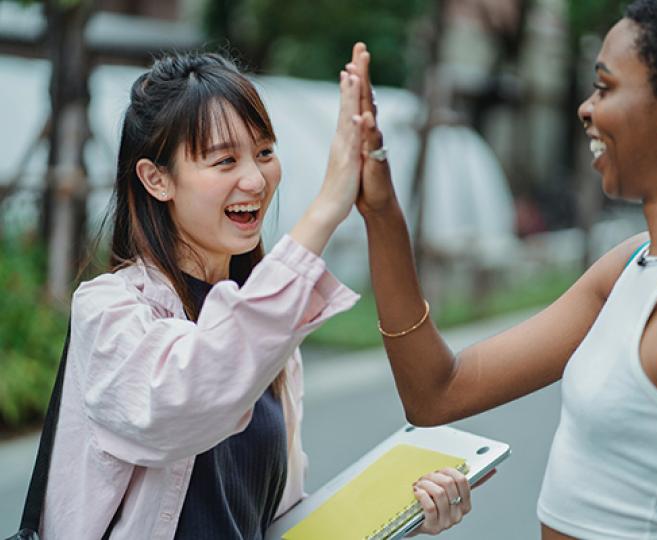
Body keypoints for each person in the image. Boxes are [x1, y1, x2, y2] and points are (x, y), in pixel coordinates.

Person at [39, 51, 467, 538]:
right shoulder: (109, 311)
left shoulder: (271, 336)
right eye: (225, 160)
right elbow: (188, 397)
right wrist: (328, 204)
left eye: (264, 152)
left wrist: (399, 509)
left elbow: (269, 524)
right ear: (156, 179)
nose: (255, 179)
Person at [350, 0, 657, 537]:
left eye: (606, 87)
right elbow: (437, 392)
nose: (585, 109)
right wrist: (381, 212)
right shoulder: (630, 267)